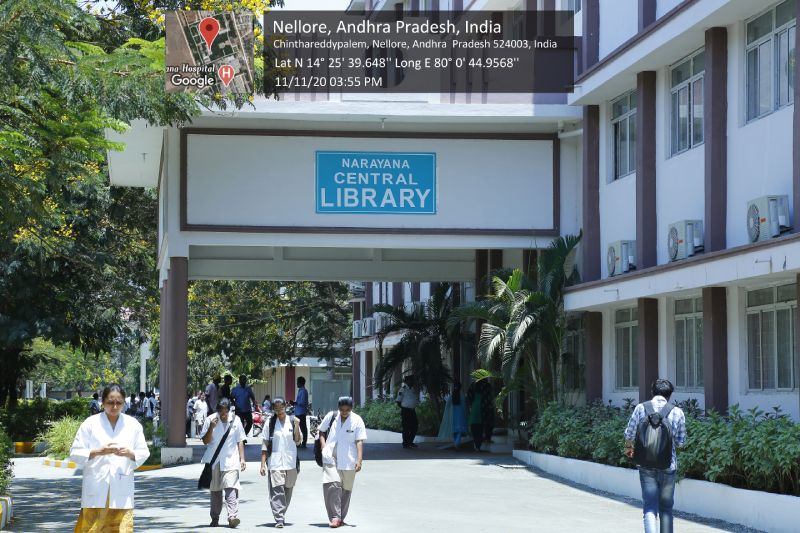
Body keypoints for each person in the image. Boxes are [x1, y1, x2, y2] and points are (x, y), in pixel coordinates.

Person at [70, 384, 150, 533]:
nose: (114, 406)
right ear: (102, 402)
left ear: (124, 403)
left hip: (121, 486)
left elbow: (143, 452)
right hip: (96, 485)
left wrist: (129, 454)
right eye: (110, 402)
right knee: (92, 529)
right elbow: (75, 452)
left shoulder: (133, 425)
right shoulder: (90, 423)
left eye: (118, 402)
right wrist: (98, 451)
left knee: (120, 528)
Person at [624, 379, 687, 533]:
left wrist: (629, 450)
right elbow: (680, 442)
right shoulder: (677, 412)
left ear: (652, 392)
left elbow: (629, 434)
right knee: (666, 508)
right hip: (668, 466)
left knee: (650, 507)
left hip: (645, 466)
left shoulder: (640, 408)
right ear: (670, 395)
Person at [318, 396, 367, 528]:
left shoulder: (357, 420)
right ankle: (335, 516)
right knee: (332, 485)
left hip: (349, 459)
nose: (344, 412)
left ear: (351, 408)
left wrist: (359, 460)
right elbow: (321, 431)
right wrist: (324, 447)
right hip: (330, 457)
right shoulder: (332, 416)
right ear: (338, 408)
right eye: (342, 409)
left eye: (347, 409)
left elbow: (359, 441)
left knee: (346, 489)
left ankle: (340, 517)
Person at [200, 398, 247, 529]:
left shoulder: (236, 420)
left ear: (230, 410)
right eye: (221, 412)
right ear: (218, 411)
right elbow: (205, 441)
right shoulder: (210, 419)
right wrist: (211, 428)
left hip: (231, 460)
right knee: (215, 491)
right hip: (214, 461)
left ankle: (232, 517)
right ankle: (215, 518)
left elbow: (240, 440)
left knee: (231, 488)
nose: (224, 415)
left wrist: (242, 459)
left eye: (226, 412)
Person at [260, 397, 301, 529]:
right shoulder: (270, 423)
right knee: (277, 491)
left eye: (281, 408)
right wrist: (262, 464)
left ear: (286, 406)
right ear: (273, 409)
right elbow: (265, 444)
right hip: (275, 462)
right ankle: (279, 518)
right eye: (276, 409)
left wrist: (297, 425)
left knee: (288, 491)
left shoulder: (292, 420)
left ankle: (281, 512)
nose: (279, 411)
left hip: (291, 462)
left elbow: (298, 441)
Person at [466, 379, 493, 452]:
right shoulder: (487, 385)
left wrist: (470, 404)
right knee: (480, 429)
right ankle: (479, 445)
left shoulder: (473, 385)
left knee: (474, 429)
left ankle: (477, 445)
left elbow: (469, 396)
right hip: (483, 409)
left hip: (475, 408)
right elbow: (490, 398)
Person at [396, 375, 419, 449]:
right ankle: (406, 444)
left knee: (415, 426)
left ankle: (410, 442)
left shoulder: (413, 389)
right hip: (406, 411)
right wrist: (404, 408)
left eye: (413, 380)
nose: (412, 382)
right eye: (411, 380)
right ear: (407, 381)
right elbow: (398, 401)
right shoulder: (403, 389)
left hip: (412, 411)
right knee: (406, 427)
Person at [451, 382, 468, 449]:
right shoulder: (462, 395)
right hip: (461, 414)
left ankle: (456, 443)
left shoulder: (453, 395)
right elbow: (464, 405)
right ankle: (457, 443)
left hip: (454, 415)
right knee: (459, 431)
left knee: (455, 431)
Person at [294, 376, 309, 448]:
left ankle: (304, 443)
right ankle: (298, 442)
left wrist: (295, 403)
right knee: (296, 428)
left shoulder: (303, 391)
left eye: (297, 382)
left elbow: (302, 402)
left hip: (301, 412)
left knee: (303, 428)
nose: (296, 383)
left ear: (301, 383)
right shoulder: (300, 390)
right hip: (298, 412)